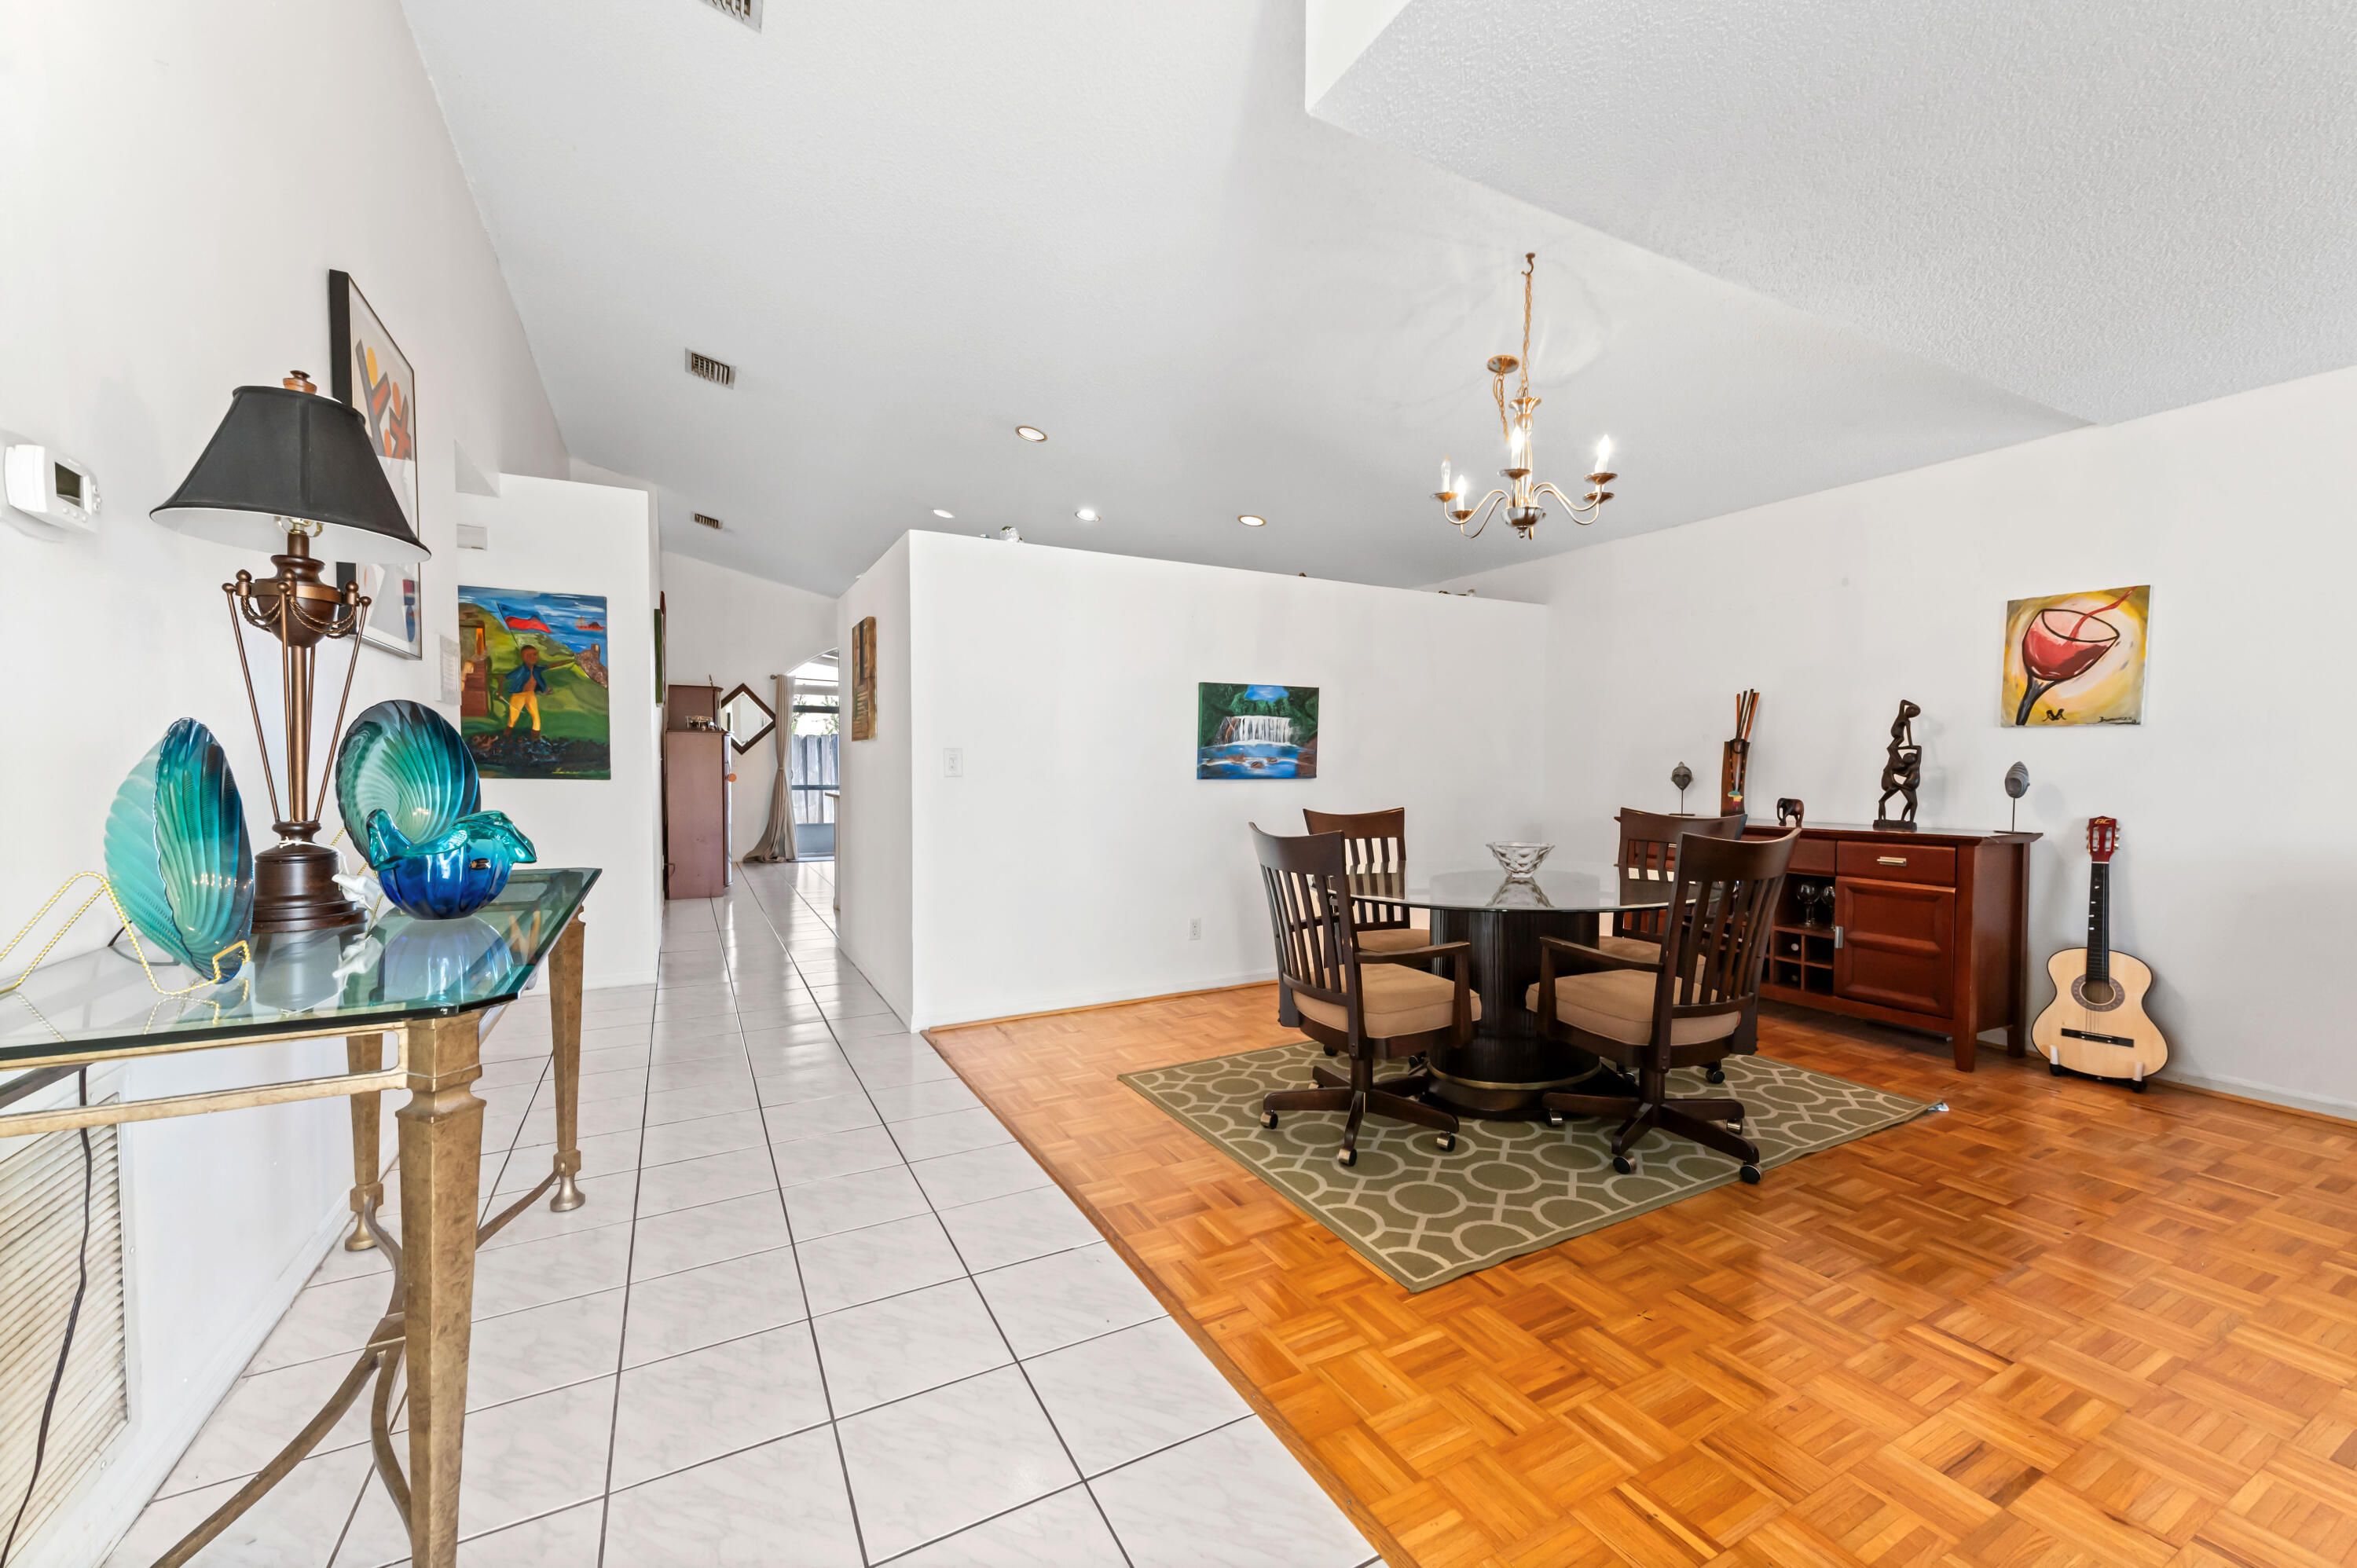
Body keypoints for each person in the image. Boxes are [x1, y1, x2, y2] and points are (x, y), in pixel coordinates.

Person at [505, 645, 552, 732]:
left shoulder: (536, 669)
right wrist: (500, 692)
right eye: (532, 655)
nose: (535, 657)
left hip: (530, 694)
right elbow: (504, 677)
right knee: (513, 719)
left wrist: (570, 661)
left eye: (536, 654)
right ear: (525, 657)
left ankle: (535, 739)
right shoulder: (521, 670)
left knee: (536, 717)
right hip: (518, 696)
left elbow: (551, 666)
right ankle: (506, 737)